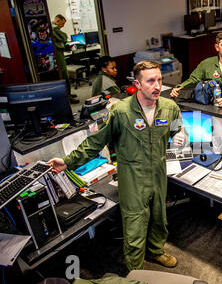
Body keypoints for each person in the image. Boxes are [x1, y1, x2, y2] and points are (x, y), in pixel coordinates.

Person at [48, 61, 185, 271]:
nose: (157, 85)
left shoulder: (169, 107)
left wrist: (181, 135)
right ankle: (136, 270)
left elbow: (177, 129)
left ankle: (156, 251)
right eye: (150, 81)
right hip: (132, 176)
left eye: (159, 79)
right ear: (137, 84)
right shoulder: (120, 112)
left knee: (159, 217)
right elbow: (95, 142)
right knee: (135, 225)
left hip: (158, 172)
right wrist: (67, 162)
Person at [170, 30, 222, 108]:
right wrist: (180, 88)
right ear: (217, 47)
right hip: (210, 106)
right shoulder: (206, 63)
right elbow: (193, 79)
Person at [51, 14, 79, 103]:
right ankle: (68, 97)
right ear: (57, 21)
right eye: (62, 24)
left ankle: (69, 94)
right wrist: (64, 38)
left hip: (59, 52)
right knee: (64, 75)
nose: (62, 26)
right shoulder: (54, 28)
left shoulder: (54, 27)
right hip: (57, 53)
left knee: (65, 74)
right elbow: (64, 37)